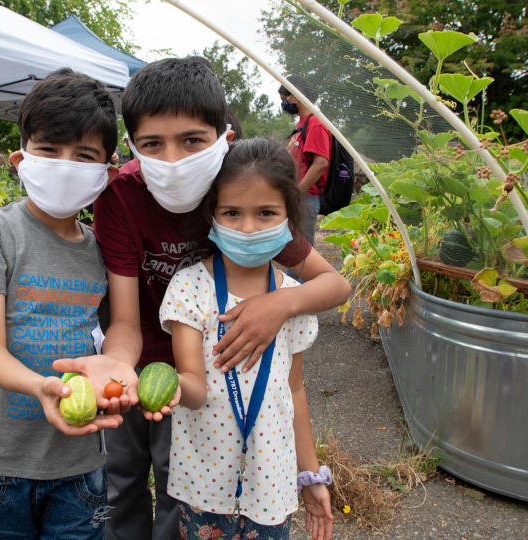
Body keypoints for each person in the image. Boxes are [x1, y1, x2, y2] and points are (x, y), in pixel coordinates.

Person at [52, 57, 351, 540]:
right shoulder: (122, 197)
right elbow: (124, 318)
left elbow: (333, 283)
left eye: (192, 140)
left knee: (181, 486)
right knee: (121, 480)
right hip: (136, 364)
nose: (172, 159)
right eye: (152, 144)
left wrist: (279, 305)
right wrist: (116, 366)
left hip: (206, 375)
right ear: (133, 147)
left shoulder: (240, 194)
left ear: (221, 139)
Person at [0, 68, 123, 540]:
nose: (65, 164)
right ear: (22, 158)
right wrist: (44, 387)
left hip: (81, 470)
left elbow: (109, 343)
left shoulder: (101, 250)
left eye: (83, 155)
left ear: (107, 173)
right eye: (50, 149)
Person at [160, 137, 334, 540]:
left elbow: (296, 393)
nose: (249, 227)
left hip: (271, 485)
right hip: (203, 485)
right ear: (213, 215)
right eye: (232, 213)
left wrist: (310, 476)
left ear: (290, 218)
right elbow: (194, 387)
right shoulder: (190, 290)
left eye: (267, 212)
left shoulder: (293, 301)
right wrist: (164, 386)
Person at [279, 74, 332, 244]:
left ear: (295, 96)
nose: (283, 104)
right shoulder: (303, 122)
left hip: (307, 196)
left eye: (284, 99)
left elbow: (321, 163)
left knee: (301, 248)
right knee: (292, 245)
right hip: (300, 195)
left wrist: (298, 191)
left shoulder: (315, 123)